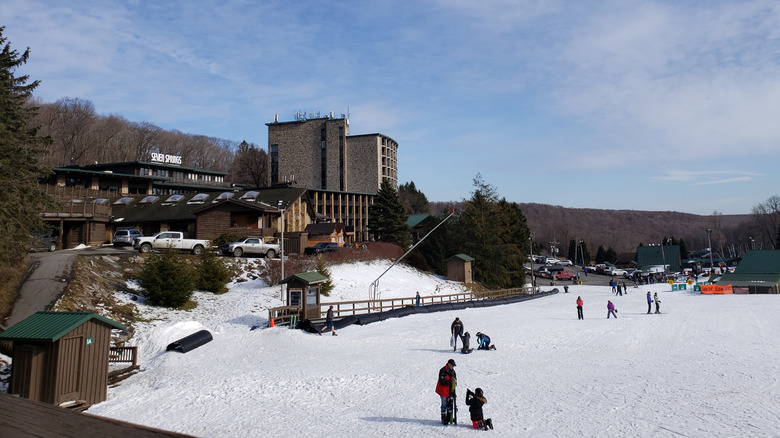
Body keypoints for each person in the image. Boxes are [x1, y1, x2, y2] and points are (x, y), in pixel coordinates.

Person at [435, 359, 457, 424]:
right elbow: (442, 382)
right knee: (444, 404)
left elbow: (455, 379)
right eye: (452, 365)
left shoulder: (453, 371)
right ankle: (443, 417)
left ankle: (449, 417)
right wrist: (451, 382)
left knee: (449, 403)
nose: (453, 367)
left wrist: (455, 383)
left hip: (449, 391)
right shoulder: (443, 370)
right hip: (443, 390)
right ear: (449, 364)